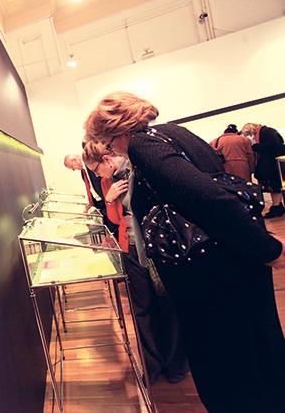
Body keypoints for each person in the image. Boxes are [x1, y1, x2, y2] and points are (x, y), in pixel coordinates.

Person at [84, 91, 285, 413]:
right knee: (259, 357)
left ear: (118, 131)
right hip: (232, 268)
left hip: (213, 282)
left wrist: (269, 249)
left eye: (107, 143)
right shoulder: (173, 133)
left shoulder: (143, 145)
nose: (111, 150)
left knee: (232, 373)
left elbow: (209, 199)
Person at [82, 141, 188, 385]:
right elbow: (114, 219)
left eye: (97, 169)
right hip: (129, 247)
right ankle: (152, 365)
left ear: (107, 160)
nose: (97, 175)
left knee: (168, 304)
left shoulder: (139, 168)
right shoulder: (108, 182)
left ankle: (175, 364)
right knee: (142, 308)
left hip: (157, 246)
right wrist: (110, 200)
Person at [64, 154, 118, 236]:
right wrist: (90, 203)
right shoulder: (83, 172)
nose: (73, 170)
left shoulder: (91, 165)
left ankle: (116, 239)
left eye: (72, 167)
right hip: (100, 202)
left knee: (113, 223)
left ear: (74, 160)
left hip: (107, 197)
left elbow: (103, 180)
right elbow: (90, 188)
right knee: (109, 224)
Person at [240, 123, 285, 218]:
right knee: (275, 186)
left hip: (273, 165)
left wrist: (255, 147)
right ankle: (277, 206)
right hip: (274, 164)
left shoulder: (266, 133)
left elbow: (272, 147)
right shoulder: (267, 132)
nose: (251, 136)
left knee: (275, 186)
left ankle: (276, 207)